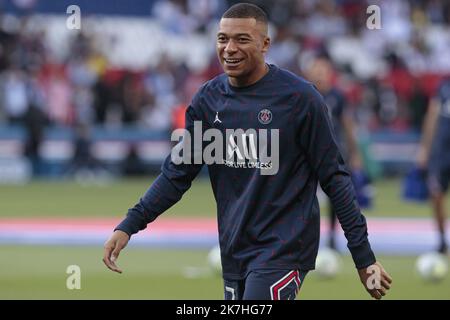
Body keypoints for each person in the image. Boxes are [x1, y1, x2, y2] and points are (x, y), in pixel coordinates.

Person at [103, 3, 392, 300]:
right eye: (222, 39)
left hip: (284, 248)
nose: (229, 48)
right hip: (234, 246)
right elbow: (176, 174)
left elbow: (335, 178)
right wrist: (130, 224)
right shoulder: (207, 100)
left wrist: (363, 257)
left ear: (265, 44)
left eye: (242, 39)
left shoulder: (300, 99)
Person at [304, 56, 364, 251]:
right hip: (306, 154)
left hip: (332, 154)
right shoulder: (303, 94)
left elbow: (347, 125)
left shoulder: (337, 97)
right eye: (317, 70)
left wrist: (355, 153)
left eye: (323, 71)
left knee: (336, 197)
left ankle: (332, 236)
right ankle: (302, 236)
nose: (320, 75)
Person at [417, 76, 450, 254]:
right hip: (442, 153)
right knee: (436, 194)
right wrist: (424, 148)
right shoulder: (443, 87)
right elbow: (431, 118)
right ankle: (442, 239)